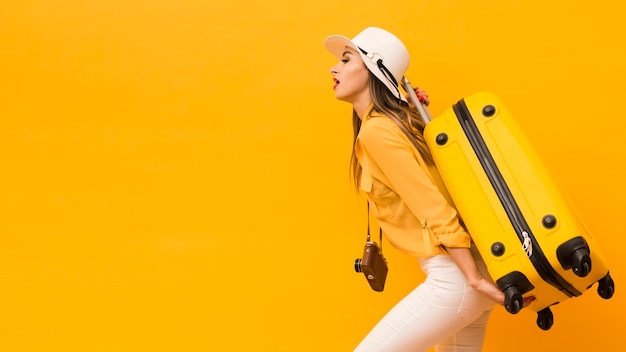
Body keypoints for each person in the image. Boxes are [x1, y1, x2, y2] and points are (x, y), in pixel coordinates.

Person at [324, 27, 534, 352]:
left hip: (455, 278)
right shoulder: (403, 123)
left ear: (374, 70)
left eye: (346, 59)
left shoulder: (378, 132)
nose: (333, 68)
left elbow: (433, 205)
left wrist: (472, 279)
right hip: (473, 270)